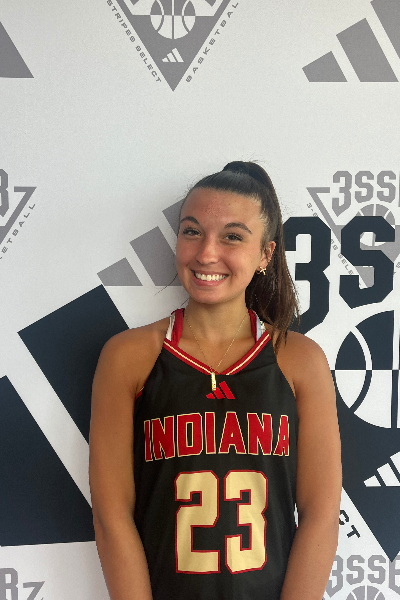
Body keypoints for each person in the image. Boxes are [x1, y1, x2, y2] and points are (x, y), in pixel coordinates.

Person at [89, 161, 342, 600]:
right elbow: (112, 517)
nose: (206, 253)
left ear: (265, 254)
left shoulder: (300, 360)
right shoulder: (127, 357)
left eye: (232, 236)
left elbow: (320, 515)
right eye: (192, 231)